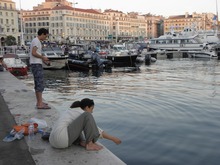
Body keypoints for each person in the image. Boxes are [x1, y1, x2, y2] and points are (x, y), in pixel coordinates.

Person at [49, 98, 121, 151]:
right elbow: (96, 129)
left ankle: (80, 142)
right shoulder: (81, 112)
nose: (92, 112)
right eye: (91, 109)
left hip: (52, 141)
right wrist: (113, 138)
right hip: (62, 141)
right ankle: (90, 144)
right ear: (87, 107)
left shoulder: (69, 111)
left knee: (79, 128)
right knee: (88, 115)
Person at [30, 28, 51, 109]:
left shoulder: (37, 41)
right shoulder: (36, 41)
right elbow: (34, 53)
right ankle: (39, 104)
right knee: (39, 84)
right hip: (36, 65)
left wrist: (44, 60)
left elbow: (36, 54)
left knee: (38, 83)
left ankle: (39, 102)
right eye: (46, 36)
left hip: (36, 64)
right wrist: (43, 57)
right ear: (42, 34)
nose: (46, 37)